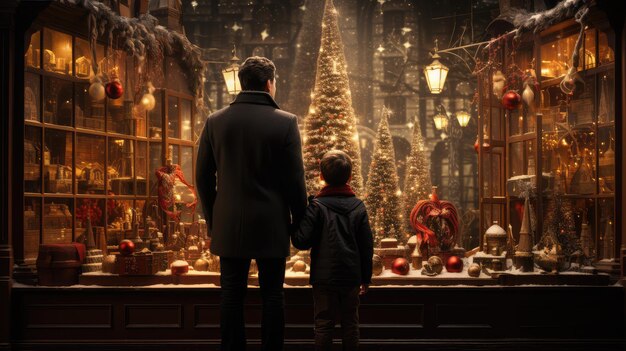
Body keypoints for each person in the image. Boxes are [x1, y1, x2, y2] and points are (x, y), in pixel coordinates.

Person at [196, 56, 307, 351]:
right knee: (273, 295)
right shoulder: (286, 122)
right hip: (272, 223)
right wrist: (300, 225)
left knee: (231, 295)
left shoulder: (215, 122)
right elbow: (295, 181)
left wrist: (213, 220)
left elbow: (203, 178)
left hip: (229, 222)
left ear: (242, 83)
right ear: (270, 84)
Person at [291, 150, 374, 351]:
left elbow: (301, 242)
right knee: (351, 325)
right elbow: (366, 246)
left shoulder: (317, 207)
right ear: (351, 176)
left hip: (324, 277)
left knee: (323, 325)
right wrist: (366, 277)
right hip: (351, 276)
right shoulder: (358, 207)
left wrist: (295, 220)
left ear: (321, 176)